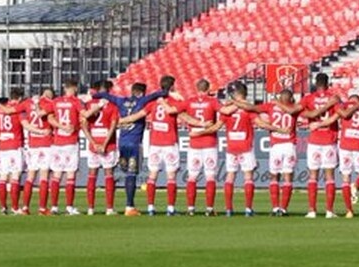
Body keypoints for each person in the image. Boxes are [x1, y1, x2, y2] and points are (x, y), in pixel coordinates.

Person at [93, 76, 174, 216]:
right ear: (142, 92)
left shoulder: (121, 101)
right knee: (131, 175)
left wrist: (95, 95)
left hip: (122, 143)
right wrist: (167, 91)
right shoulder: (142, 101)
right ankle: (129, 206)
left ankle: (124, 204)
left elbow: (105, 95)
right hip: (135, 143)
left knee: (125, 173)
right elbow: (159, 94)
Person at [241, 89, 301, 216]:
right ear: (291, 99)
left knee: (274, 176)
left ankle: (275, 208)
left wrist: (237, 103)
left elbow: (252, 107)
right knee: (288, 177)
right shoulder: (294, 108)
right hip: (289, 145)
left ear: (280, 98)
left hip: (276, 146)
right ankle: (283, 209)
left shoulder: (271, 106)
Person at [298, 73, 343, 219]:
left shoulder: (308, 98)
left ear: (314, 83)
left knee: (313, 176)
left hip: (314, 141)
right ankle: (329, 211)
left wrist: (314, 122)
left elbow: (300, 112)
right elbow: (339, 115)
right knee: (329, 177)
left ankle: (312, 210)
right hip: (329, 139)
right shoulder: (334, 98)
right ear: (328, 83)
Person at [181, 79, 222, 216]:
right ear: (208, 88)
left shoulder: (189, 101)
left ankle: (191, 209)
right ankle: (209, 209)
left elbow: (179, 113)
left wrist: (194, 122)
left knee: (192, 176)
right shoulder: (212, 101)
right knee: (210, 176)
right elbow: (223, 111)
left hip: (194, 143)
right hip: (209, 142)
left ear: (196, 88)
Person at [218, 83, 258, 217]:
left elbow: (219, 123)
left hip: (231, 146)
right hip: (245, 146)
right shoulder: (248, 109)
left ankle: (229, 209)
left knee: (230, 176)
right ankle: (248, 209)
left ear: (236, 94)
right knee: (248, 177)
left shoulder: (229, 108)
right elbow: (258, 121)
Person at [82, 81, 120, 216]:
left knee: (92, 175)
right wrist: (104, 144)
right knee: (108, 174)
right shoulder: (112, 105)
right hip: (107, 145)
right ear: (108, 90)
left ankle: (90, 208)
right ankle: (109, 209)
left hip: (94, 144)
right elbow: (113, 126)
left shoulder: (89, 104)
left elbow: (84, 125)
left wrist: (92, 142)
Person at [47, 80, 85, 215]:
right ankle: (69, 207)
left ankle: (54, 207)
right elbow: (84, 115)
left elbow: (50, 118)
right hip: (70, 141)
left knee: (56, 175)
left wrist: (60, 126)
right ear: (73, 88)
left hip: (57, 142)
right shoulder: (76, 102)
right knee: (70, 175)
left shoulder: (56, 101)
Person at [18, 87, 54, 215]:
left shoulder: (27, 103)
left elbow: (25, 124)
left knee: (30, 176)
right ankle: (42, 208)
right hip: (45, 143)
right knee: (43, 176)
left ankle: (25, 208)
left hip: (33, 143)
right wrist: (43, 131)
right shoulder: (50, 104)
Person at [336, 93, 359, 218]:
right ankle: (355, 187)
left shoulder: (344, 106)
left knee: (345, 178)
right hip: (358, 146)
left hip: (344, 145)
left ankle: (349, 211)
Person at [0, 88, 26, 215]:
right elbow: (25, 125)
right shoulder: (18, 110)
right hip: (15, 145)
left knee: (3, 177)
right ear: (20, 98)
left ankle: (2, 207)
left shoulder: (0, 110)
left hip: (2, 147)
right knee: (15, 176)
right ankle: (15, 207)